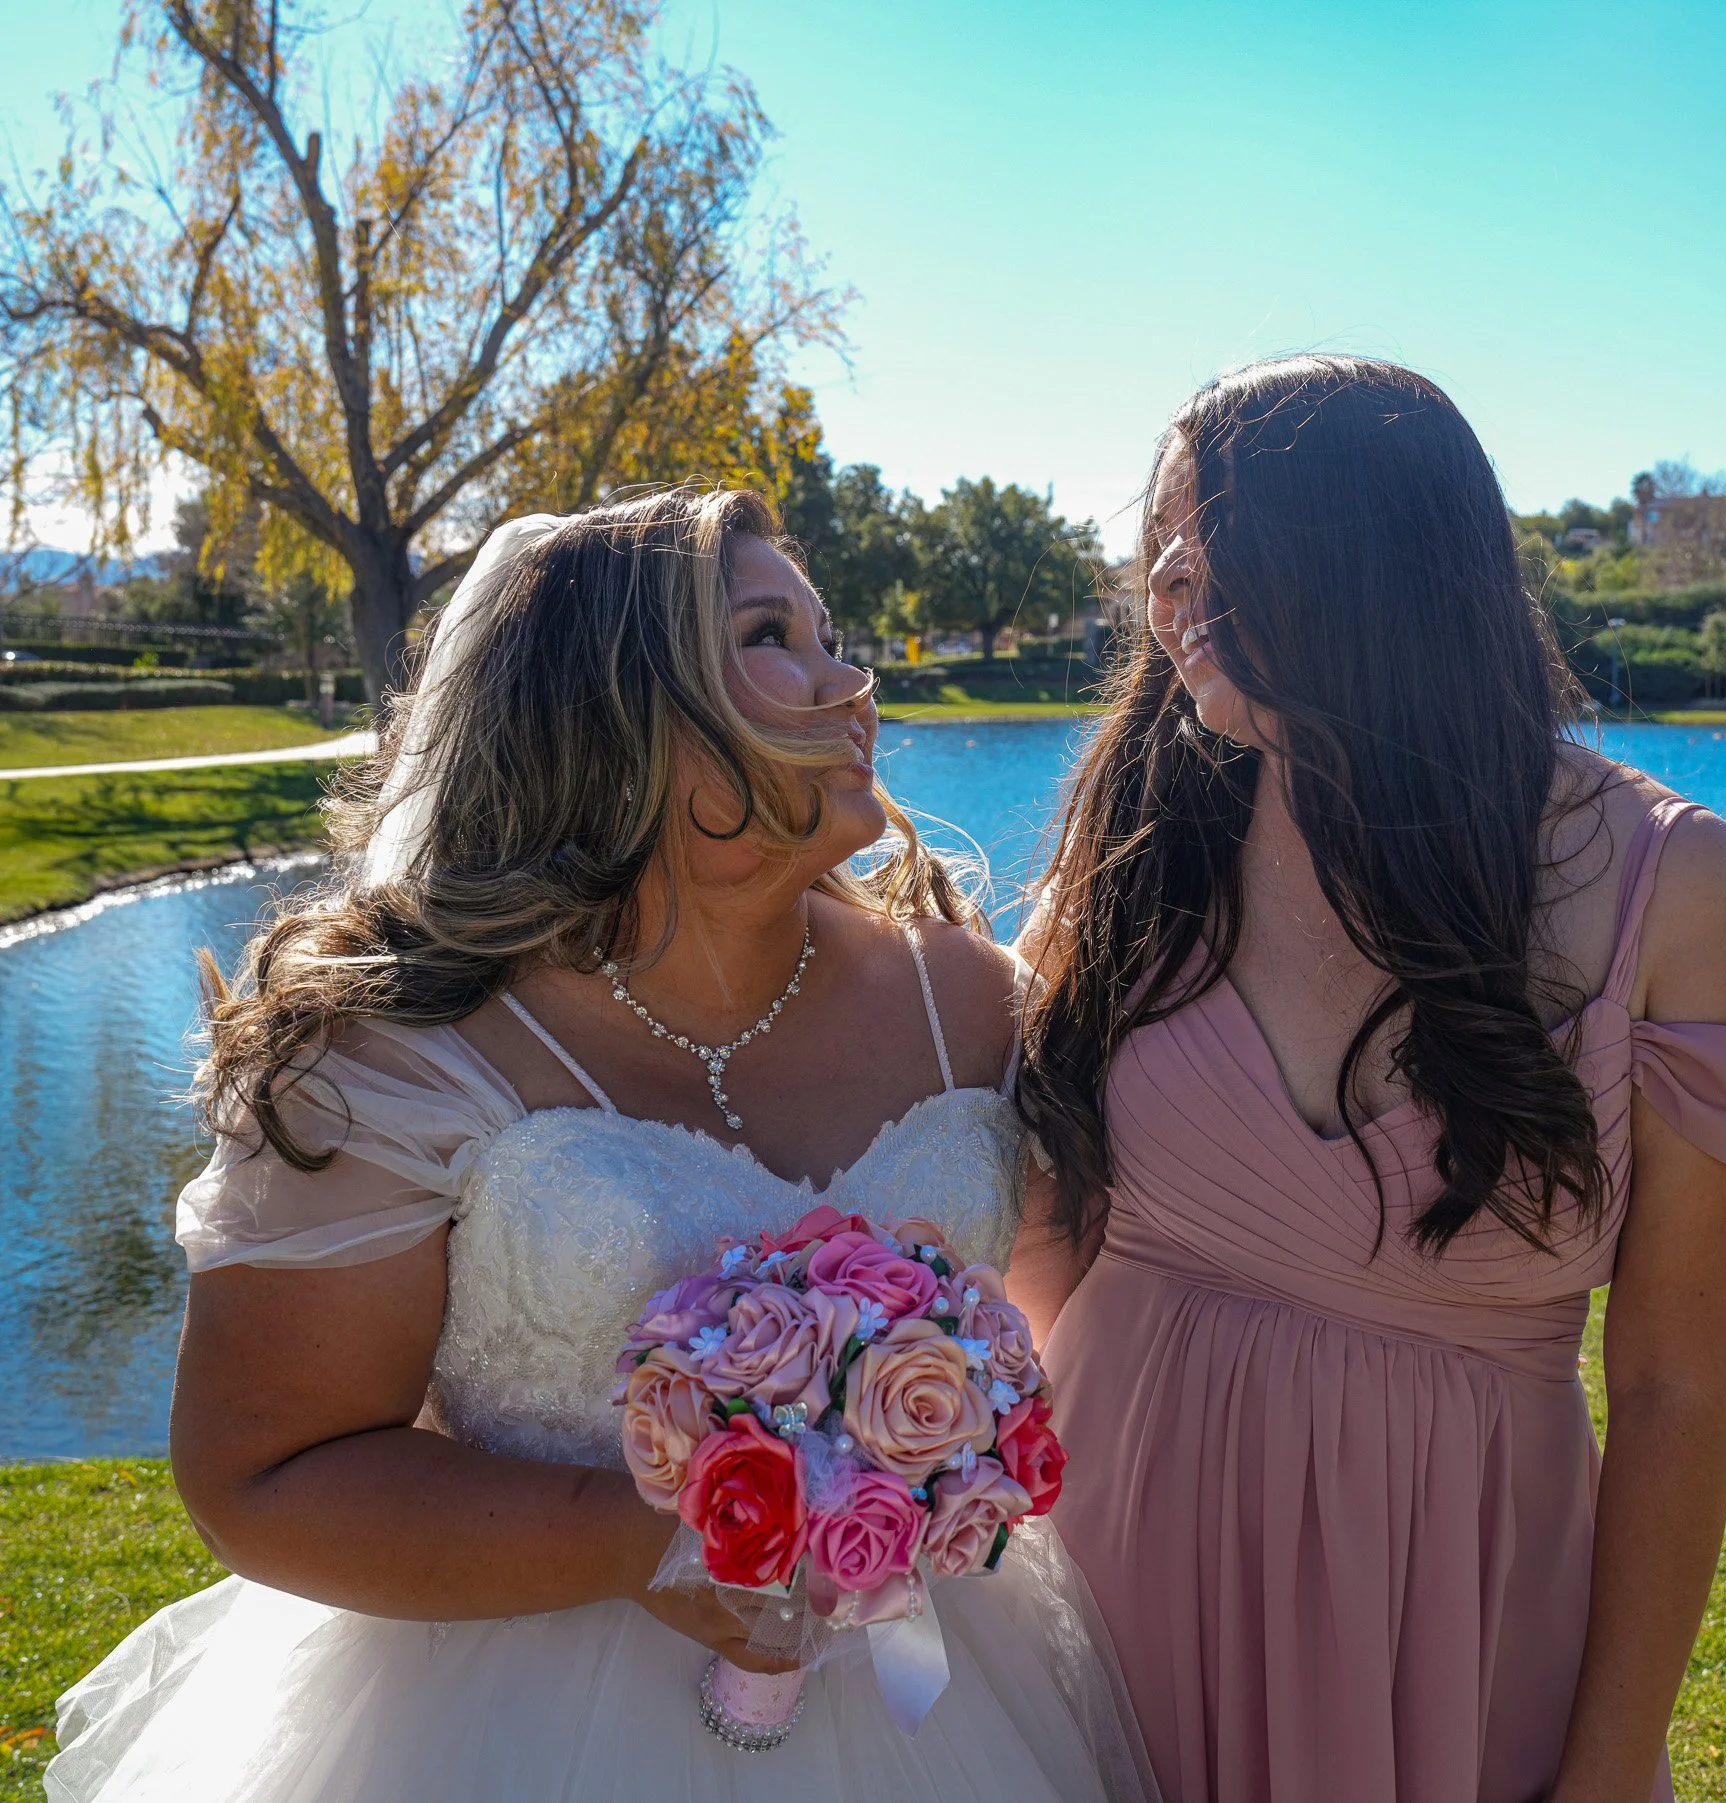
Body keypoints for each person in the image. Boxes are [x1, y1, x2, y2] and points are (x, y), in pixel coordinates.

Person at [46, 489, 1156, 1803]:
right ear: (611, 707)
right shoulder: (406, 1055)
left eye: (830, 631)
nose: (851, 680)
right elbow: (261, 1473)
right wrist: (655, 1542)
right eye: (769, 635)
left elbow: (1061, 1318)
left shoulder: (967, 998)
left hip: (942, 1703)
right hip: (493, 1722)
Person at [1010, 356, 1726, 1803]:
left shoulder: (1667, 886)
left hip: (1455, 1633)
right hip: (1109, 1601)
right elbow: (1045, 1256)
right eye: (1161, 564)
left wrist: (1603, 1772)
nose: (1170, 600)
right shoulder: (1139, 841)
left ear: (1371, 560)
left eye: (1213, 555)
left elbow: (1669, 1398)